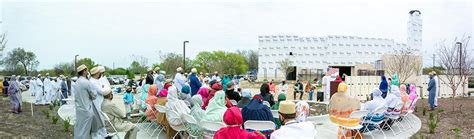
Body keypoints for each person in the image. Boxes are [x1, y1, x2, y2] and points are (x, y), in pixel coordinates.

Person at [74, 64, 106, 139]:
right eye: (87, 70)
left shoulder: (77, 82)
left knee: (80, 129)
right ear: (84, 71)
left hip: (79, 109)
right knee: (86, 131)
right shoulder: (86, 82)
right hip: (87, 109)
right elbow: (94, 95)